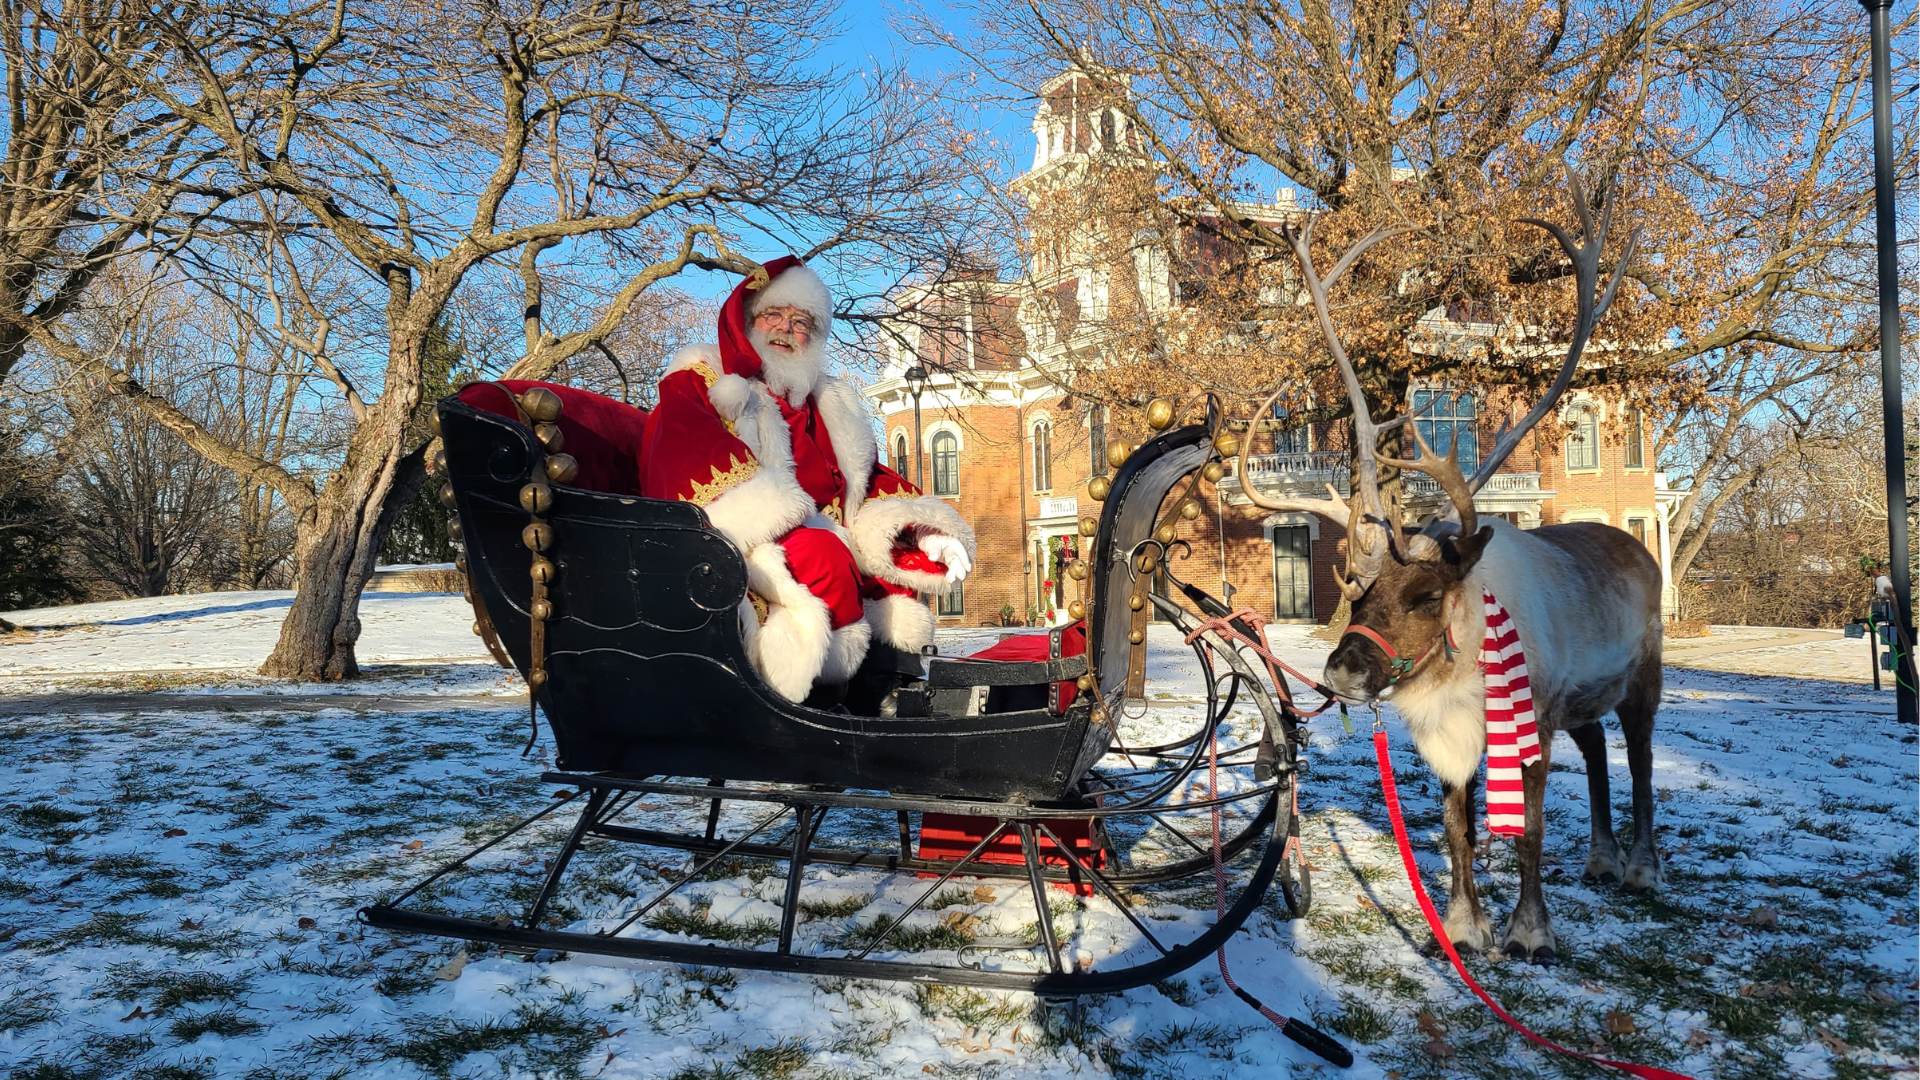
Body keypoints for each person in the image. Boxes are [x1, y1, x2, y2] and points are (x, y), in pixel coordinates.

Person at [640, 256, 974, 703]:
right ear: (748, 322)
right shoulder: (703, 381)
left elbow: (871, 485)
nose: (784, 329)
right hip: (742, 542)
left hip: (827, 533)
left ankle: (882, 684)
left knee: (883, 568)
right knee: (822, 553)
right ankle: (822, 694)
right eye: (773, 314)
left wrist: (928, 535)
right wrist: (797, 520)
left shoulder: (829, 405)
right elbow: (684, 457)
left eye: (800, 322)